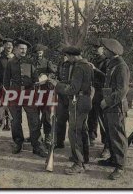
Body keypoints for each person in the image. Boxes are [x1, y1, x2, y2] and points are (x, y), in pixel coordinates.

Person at [49, 46, 93, 174]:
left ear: (73, 56)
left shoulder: (78, 67)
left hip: (77, 102)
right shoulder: (87, 65)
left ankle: (78, 163)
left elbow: (73, 89)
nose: (67, 59)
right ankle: (84, 157)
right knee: (82, 130)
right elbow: (78, 82)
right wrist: (61, 81)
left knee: (74, 132)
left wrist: (58, 85)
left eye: (68, 56)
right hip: (85, 100)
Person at [3, 38, 47, 158]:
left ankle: (37, 146)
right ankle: (18, 143)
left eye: (25, 49)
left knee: (34, 121)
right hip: (15, 94)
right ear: (16, 49)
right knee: (15, 121)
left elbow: (35, 79)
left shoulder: (30, 62)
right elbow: (6, 82)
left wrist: (39, 82)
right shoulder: (10, 63)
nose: (23, 51)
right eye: (21, 48)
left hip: (29, 94)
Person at [98, 38, 130, 180]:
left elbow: (122, 90)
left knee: (117, 135)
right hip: (110, 107)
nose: (103, 51)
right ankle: (113, 159)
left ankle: (120, 166)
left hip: (116, 107)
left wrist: (107, 101)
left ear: (111, 51)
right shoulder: (112, 64)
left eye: (105, 49)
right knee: (111, 134)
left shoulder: (121, 66)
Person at [31, 43, 57, 148]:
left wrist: (45, 76)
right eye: (37, 52)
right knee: (34, 116)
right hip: (33, 92)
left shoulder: (47, 62)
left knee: (46, 115)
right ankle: (36, 136)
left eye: (40, 52)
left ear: (43, 52)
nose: (39, 54)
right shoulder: (31, 63)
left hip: (44, 91)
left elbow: (54, 73)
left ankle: (47, 137)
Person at [54, 50, 72, 149]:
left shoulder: (74, 65)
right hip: (61, 95)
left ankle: (77, 144)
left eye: (66, 55)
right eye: (63, 54)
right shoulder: (60, 63)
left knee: (73, 120)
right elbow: (57, 74)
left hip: (71, 94)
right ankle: (60, 141)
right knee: (60, 119)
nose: (64, 57)